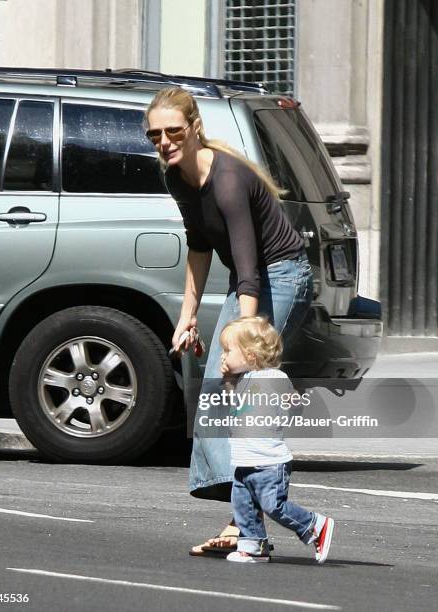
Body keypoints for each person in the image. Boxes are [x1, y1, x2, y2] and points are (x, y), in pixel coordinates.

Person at [144, 87, 313, 556]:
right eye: (154, 134)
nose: (164, 141)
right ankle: (246, 523)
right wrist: (188, 317)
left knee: (235, 387)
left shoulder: (228, 180)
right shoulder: (177, 176)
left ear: (195, 127)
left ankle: (247, 524)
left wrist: (244, 335)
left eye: (172, 130)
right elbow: (199, 246)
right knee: (221, 391)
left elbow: (249, 265)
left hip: (277, 278)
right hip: (248, 279)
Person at [217, 316, 334, 564]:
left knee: (273, 505)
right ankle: (252, 547)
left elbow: (292, 404)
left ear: (250, 355)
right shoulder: (245, 380)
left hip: (269, 461)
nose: (223, 357)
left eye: (228, 350)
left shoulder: (274, 378)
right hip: (245, 460)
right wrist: (229, 383)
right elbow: (237, 408)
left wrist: (293, 400)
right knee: (243, 506)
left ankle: (315, 525)